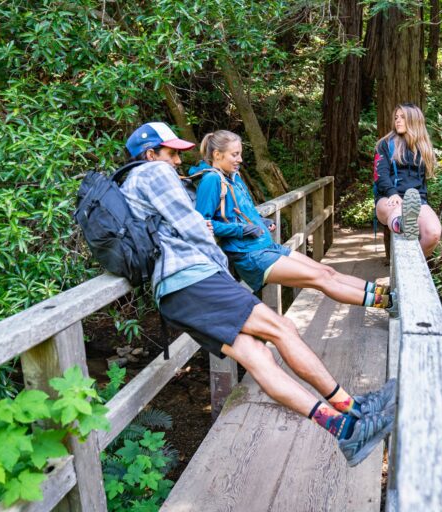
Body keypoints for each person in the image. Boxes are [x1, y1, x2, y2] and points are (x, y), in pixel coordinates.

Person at [120, 121, 396, 466]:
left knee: (258, 357)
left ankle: (347, 427)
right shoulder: (152, 174)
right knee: (282, 329)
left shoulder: (129, 184)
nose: (177, 161)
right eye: (172, 153)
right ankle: (351, 409)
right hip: (194, 279)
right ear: (150, 154)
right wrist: (220, 260)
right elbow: (192, 225)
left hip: (174, 295)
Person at [191, 130, 393, 309]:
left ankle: (384, 292)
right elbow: (202, 225)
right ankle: (388, 304)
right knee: (321, 279)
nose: (240, 160)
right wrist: (241, 230)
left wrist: (260, 223)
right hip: (251, 255)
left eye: (240, 154)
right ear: (217, 155)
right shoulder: (211, 180)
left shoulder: (232, 176)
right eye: (235, 155)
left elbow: (245, 211)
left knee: (326, 270)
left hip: (266, 246)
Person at [374, 103, 442, 256]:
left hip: (417, 200)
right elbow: (380, 174)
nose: (397, 120)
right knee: (398, 212)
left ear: (414, 120)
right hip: (389, 197)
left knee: (433, 233)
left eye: (403, 117)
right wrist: (392, 193)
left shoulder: (423, 148)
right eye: (396, 117)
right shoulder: (385, 144)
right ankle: (403, 225)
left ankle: (413, 263)